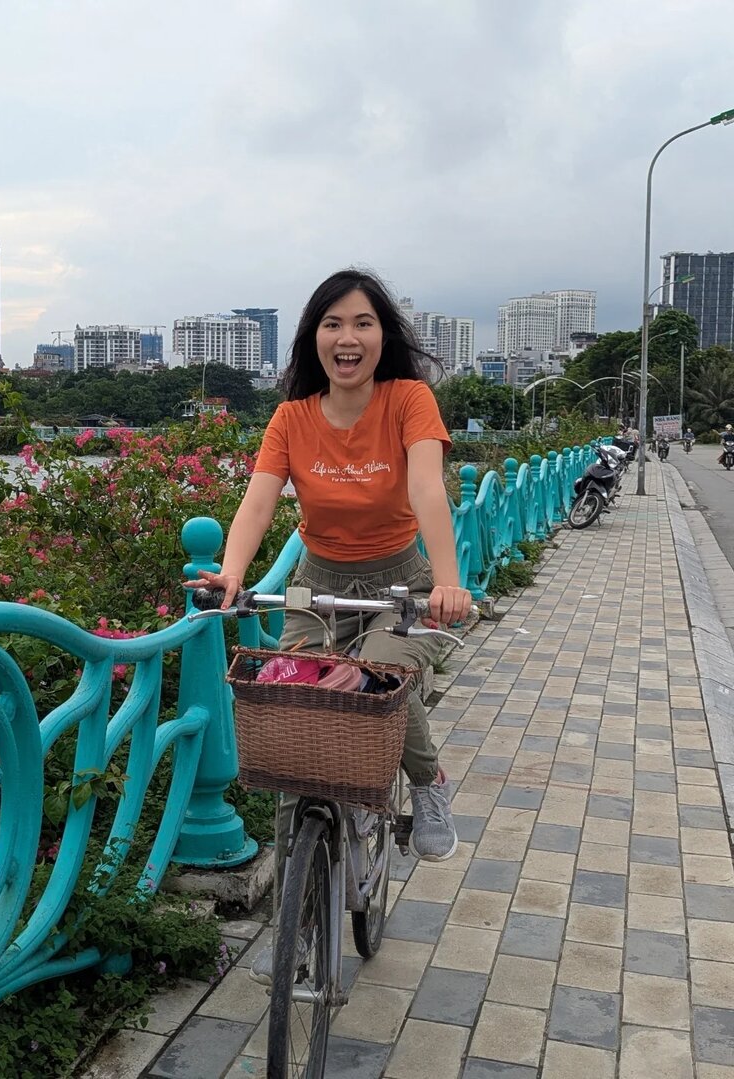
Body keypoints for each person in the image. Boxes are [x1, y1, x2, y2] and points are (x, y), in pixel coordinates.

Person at [185, 269, 472, 976]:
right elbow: (259, 501)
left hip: (400, 579)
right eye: (333, 324)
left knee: (382, 677)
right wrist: (232, 573)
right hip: (317, 581)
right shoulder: (292, 417)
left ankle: (427, 781)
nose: (348, 337)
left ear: (383, 336)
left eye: (363, 323)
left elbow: (427, 488)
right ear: (314, 338)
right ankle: (299, 927)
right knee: (293, 709)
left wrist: (448, 582)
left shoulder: (408, 400)